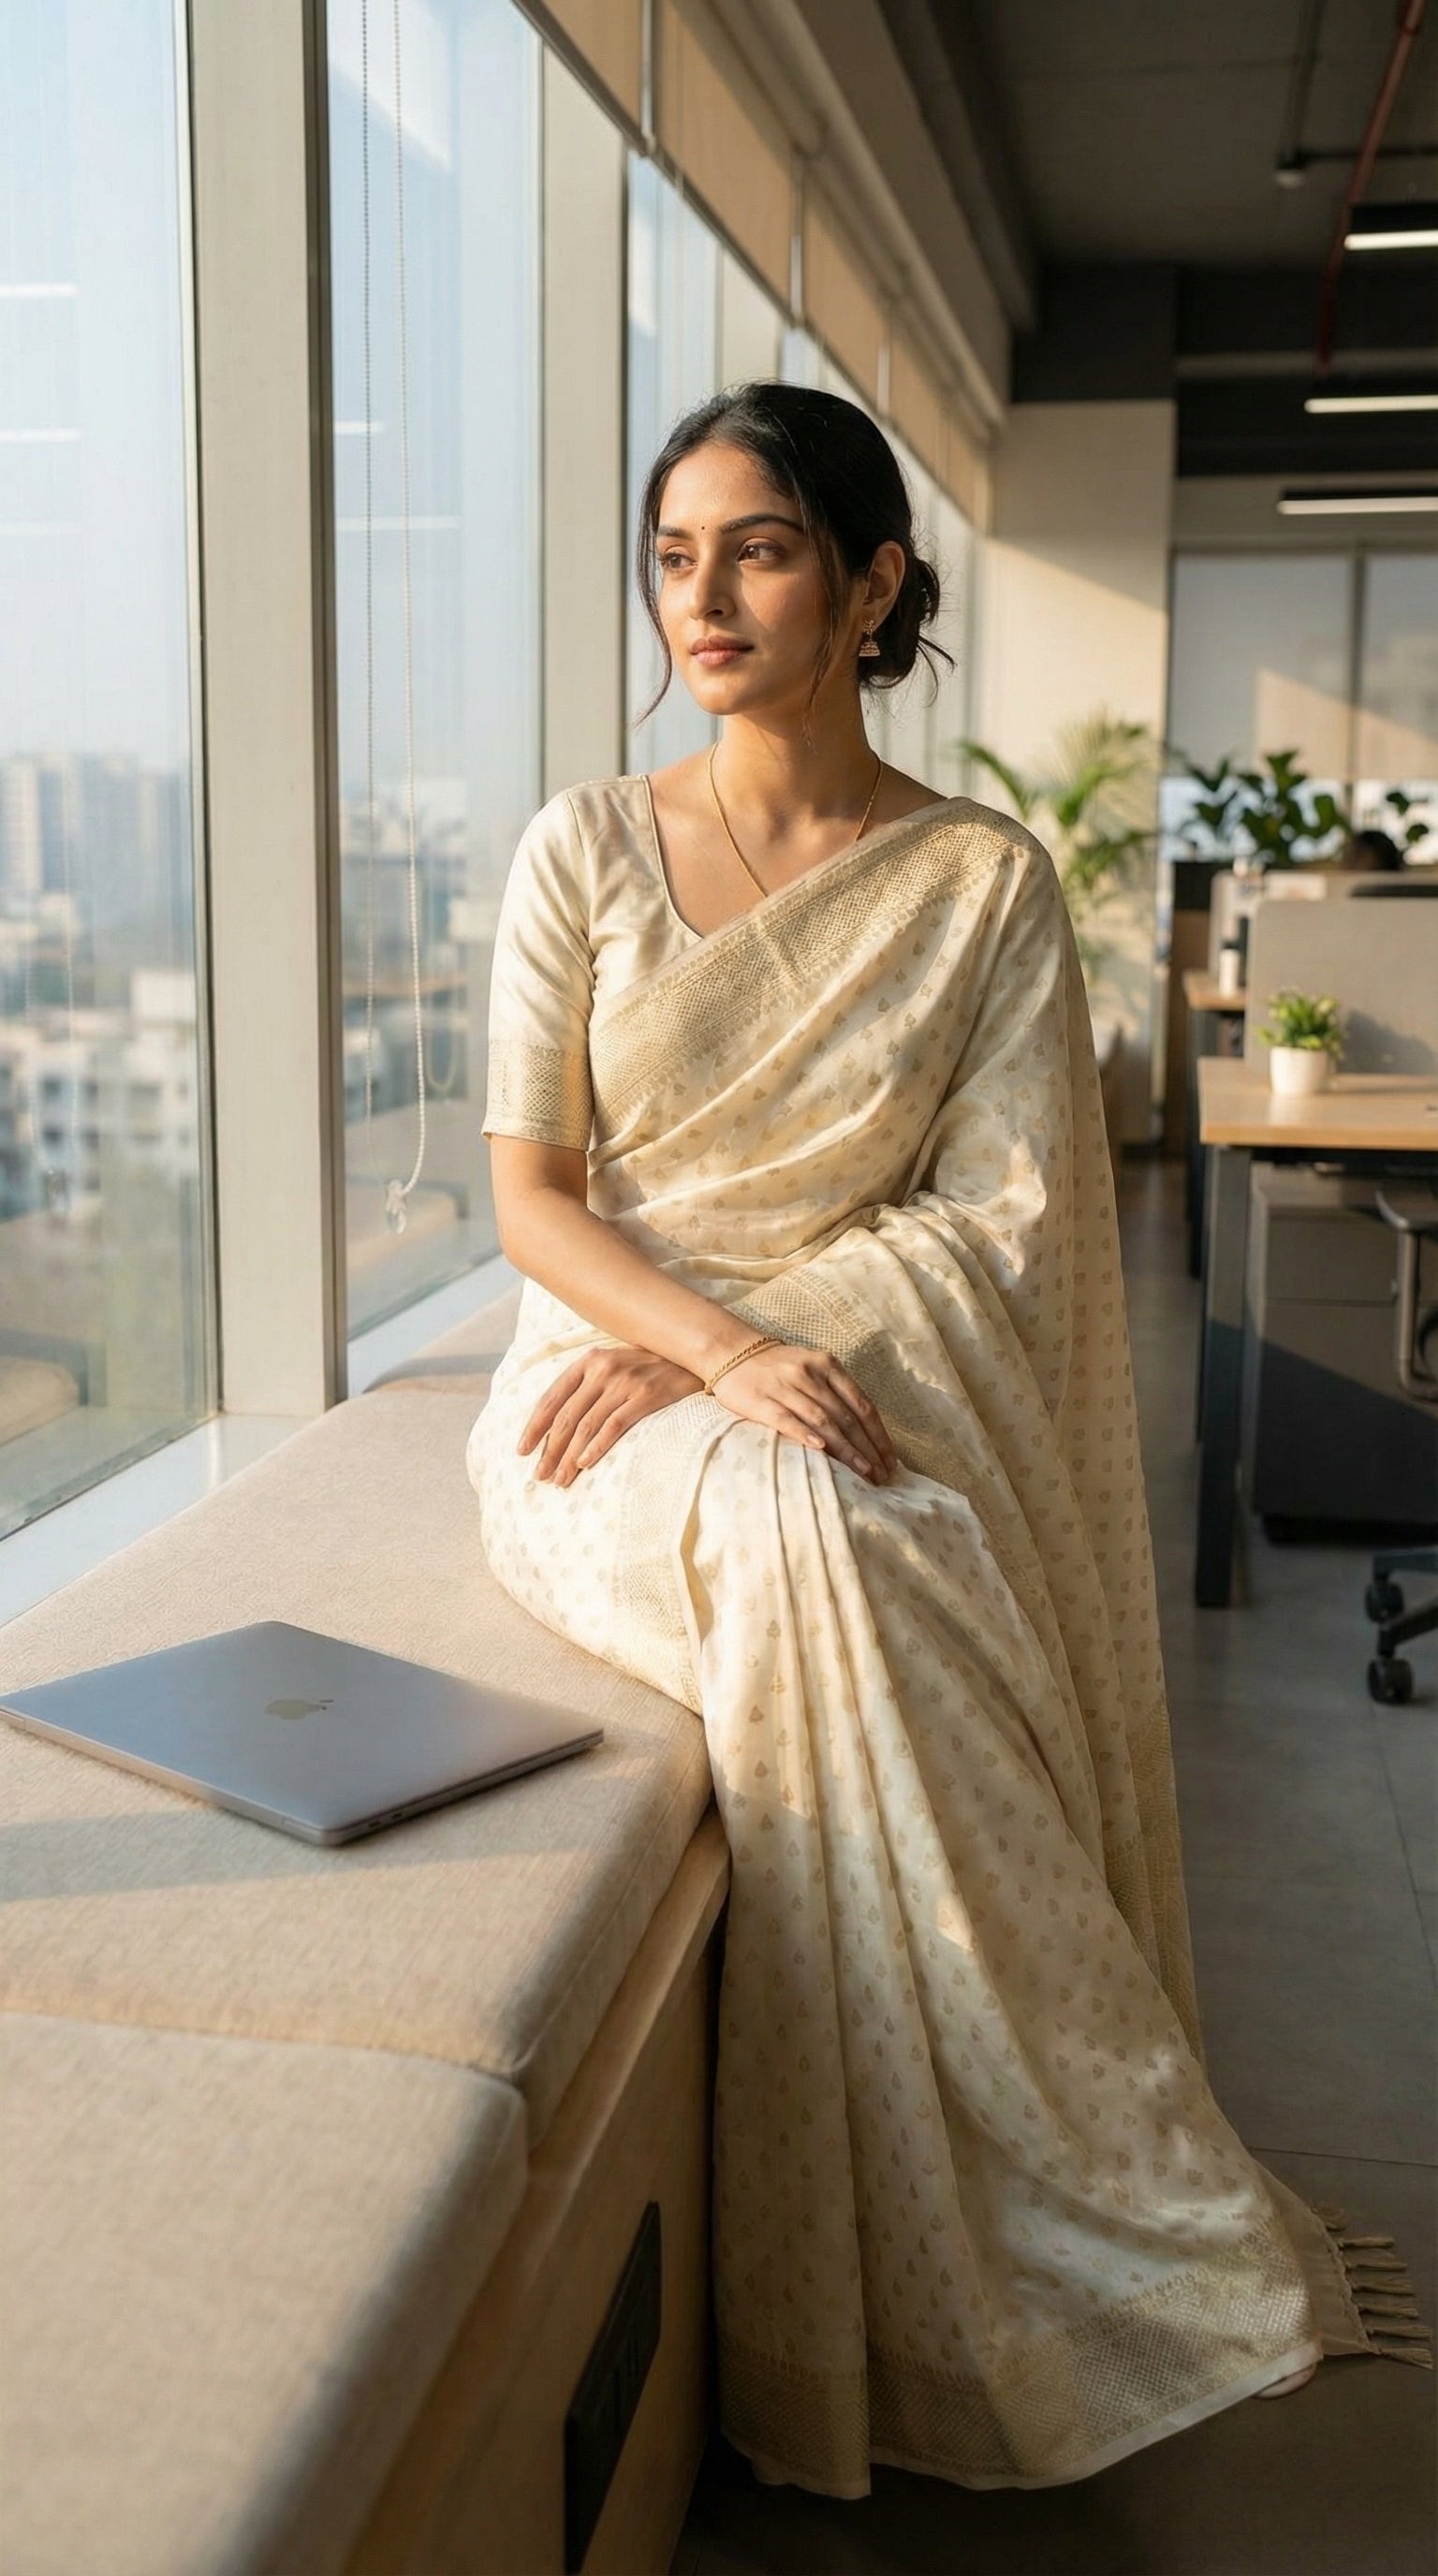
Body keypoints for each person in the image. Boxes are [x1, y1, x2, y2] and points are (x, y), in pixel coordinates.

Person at [468, 382, 1412, 2496]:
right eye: (675, 552)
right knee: (822, 1535)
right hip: (600, 1387)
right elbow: (535, 1199)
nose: (702, 594)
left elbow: (993, 1229)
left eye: (763, 547)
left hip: (805, 1364)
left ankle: (1039, 2199)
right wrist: (697, 1337)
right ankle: (1076, 2181)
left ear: (877, 580)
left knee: (857, 1535)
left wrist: (749, 1343)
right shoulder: (585, 848)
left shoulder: (979, 884)